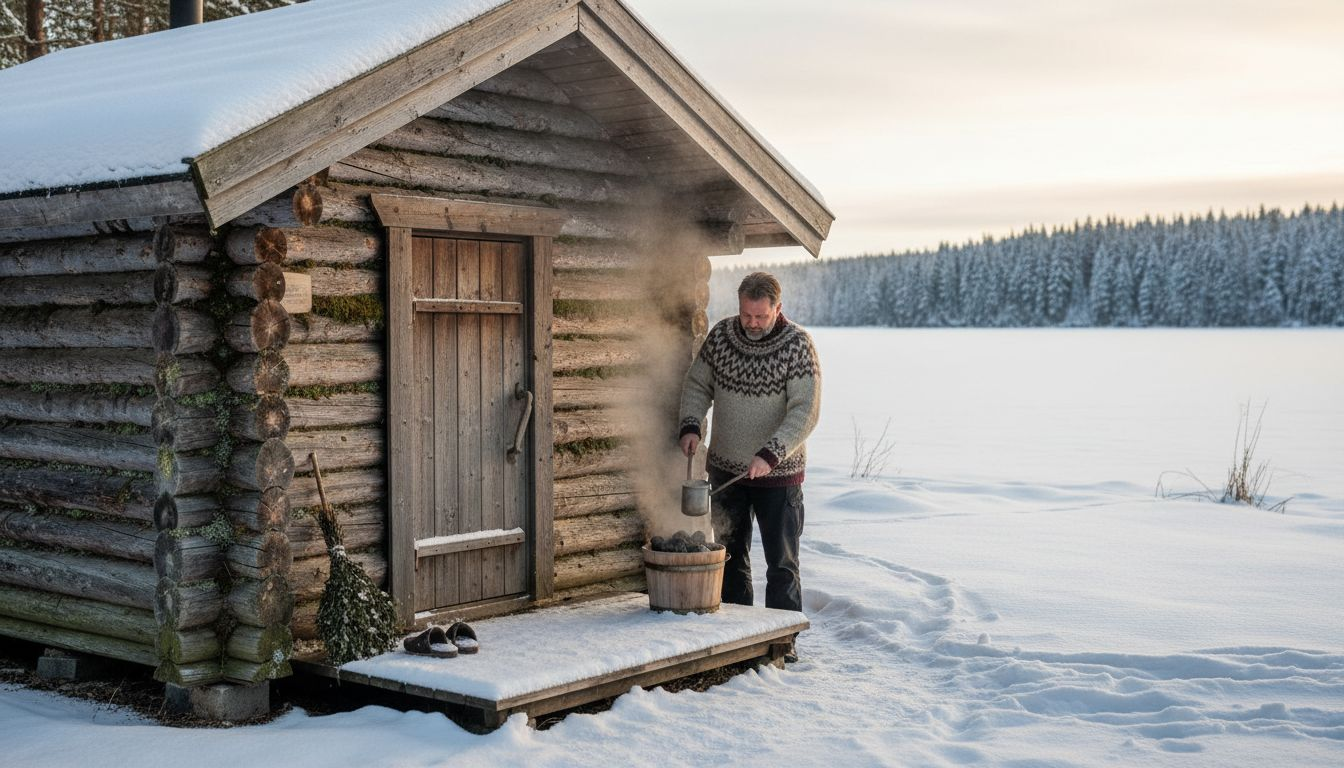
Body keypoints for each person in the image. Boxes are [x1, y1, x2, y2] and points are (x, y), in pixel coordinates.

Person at [678, 271, 821, 631]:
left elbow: (806, 411)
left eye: (760, 316)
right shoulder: (722, 337)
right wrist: (691, 424)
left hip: (780, 476)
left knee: (782, 566)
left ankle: (782, 644)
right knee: (731, 562)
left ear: (778, 308)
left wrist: (771, 454)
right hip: (727, 473)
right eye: (746, 315)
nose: (752, 323)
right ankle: (737, 639)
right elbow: (697, 384)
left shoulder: (798, 345)